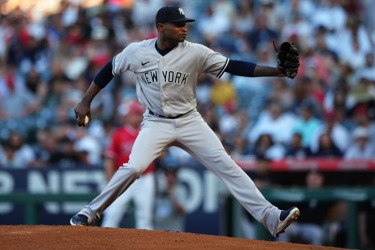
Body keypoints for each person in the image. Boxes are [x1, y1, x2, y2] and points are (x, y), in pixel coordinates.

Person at [70, 6, 300, 238]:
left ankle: (271, 217)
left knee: (227, 166)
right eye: (178, 24)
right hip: (155, 122)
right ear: (161, 28)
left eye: (185, 23)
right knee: (134, 167)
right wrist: (85, 101)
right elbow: (109, 69)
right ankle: (90, 211)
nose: (184, 28)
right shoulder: (136, 51)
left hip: (190, 121)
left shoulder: (195, 52)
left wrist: (277, 72)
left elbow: (234, 66)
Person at [100, 100, 156, 229]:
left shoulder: (147, 132)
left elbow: (160, 154)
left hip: (145, 177)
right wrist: (110, 182)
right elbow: (110, 159)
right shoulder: (119, 134)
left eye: (139, 114)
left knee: (145, 216)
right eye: (134, 114)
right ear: (127, 116)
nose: (137, 116)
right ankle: (103, 243)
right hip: (124, 178)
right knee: (113, 213)